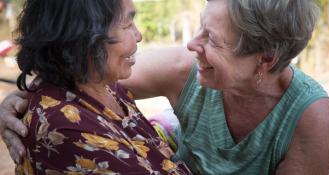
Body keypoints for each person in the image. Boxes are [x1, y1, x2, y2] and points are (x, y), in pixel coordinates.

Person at [0, 0, 329, 174]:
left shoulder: (308, 117)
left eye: (211, 39)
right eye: (200, 28)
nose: (192, 44)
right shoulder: (184, 70)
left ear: (264, 60)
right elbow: (80, 71)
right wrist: (17, 101)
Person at [4, 0, 192, 174]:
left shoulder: (104, 85)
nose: (139, 35)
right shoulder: (65, 127)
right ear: (83, 38)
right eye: (127, 25)